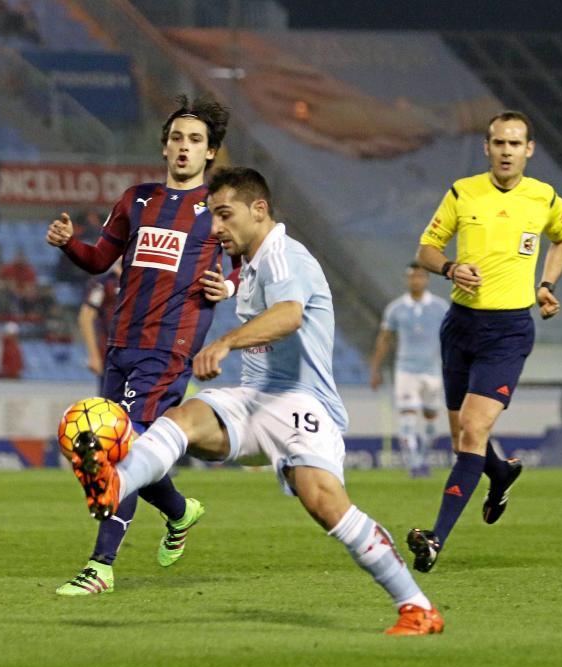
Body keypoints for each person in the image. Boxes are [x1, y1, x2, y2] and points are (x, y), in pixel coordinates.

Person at [66, 166, 444, 635]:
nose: (216, 227)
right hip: (257, 398)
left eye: (224, 215)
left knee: (326, 504)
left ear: (259, 210)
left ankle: (416, 606)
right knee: (180, 419)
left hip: (302, 403)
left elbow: (288, 315)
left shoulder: (283, 254)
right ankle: (113, 486)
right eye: (213, 217)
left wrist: (225, 343)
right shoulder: (251, 265)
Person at [46, 94, 235, 596]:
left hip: (169, 350)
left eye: (195, 141)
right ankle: (180, 510)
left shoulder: (217, 208)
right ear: (164, 145)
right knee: (131, 448)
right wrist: (69, 242)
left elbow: (247, 263)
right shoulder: (136, 199)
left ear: (210, 152)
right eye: (176, 138)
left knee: (116, 449)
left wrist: (230, 287)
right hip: (121, 343)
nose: (183, 148)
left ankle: (100, 566)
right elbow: (98, 258)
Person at [408, 111, 562, 573]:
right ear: (487, 148)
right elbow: (426, 248)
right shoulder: (463, 192)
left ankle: (436, 537)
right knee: (464, 432)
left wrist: (547, 285)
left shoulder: (545, 198)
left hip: (508, 331)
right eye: (498, 143)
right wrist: (449, 268)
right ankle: (500, 473)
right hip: (459, 326)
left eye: (515, 144)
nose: (506, 151)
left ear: (529, 150)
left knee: (474, 432)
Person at [369, 263, 448, 477]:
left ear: (426, 279)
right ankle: (414, 464)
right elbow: (384, 339)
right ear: (407, 279)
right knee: (408, 417)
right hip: (406, 369)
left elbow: (452, 337)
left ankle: (423, 457)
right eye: (412, 277)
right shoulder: (396, 309)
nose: (416, 281)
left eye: (420, 277)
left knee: (431, 417)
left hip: (432, 370)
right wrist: (375, 369)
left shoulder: (440, 308)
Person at [77, 262, 121, 392]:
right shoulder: (104, 283)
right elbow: (86, 316)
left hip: (140, 351)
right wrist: (93, 355)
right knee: (110, 404)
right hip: (111, 354)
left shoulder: (145, 280)